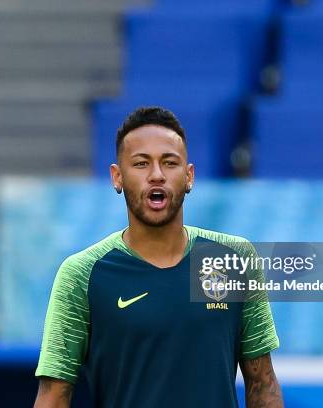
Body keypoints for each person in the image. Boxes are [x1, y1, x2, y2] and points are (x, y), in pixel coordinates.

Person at [33, 107, 283, 407]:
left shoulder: (234, 259)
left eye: (169, 163)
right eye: (141, 164)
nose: (156, 175)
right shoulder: (82, 274)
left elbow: (262, 382)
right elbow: (54, 395)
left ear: (188, 176)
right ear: (118, 177)